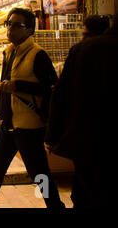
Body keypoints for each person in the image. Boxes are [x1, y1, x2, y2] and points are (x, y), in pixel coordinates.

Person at [0, 8, 65, 209]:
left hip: (30, 127)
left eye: (17, 25)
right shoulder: (9, 52)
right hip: (8, 125)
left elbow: (52, 88)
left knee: (40, 174)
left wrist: (19, 86)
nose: (11, 29)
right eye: (9, 24)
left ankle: (55, 206)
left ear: (30, 29)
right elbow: (4, 87)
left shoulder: (38, 55)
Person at [46, 14, 117, 208]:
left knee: (85, 191)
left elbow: (60, 95)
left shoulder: (84, 50)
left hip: (86, 138)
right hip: (95, 139)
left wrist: (53, 135)